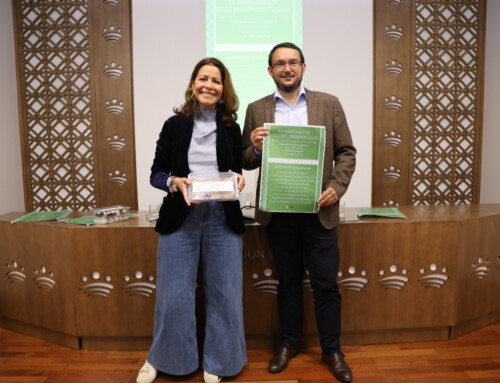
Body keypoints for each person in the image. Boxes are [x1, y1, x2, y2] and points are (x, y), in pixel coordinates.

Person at [241, 43, 356, 382]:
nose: (287, 68)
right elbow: (245, 160)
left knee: (325, 284)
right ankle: (288, 344)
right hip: (279, 214)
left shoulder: (328, 103)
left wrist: (337, 185)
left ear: (303, 67)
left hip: (319, 211)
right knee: (288, 282)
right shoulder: (256, 108)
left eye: (293, 62)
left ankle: (332, 351)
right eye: (280, 64)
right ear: (270, 71)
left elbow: (347, 152)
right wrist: (256, 147)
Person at [137, 58, 247, 383]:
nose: (209, 85)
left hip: (222, 216)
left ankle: (220, 362)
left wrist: (237, 178)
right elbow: (156, 174)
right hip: (180, 216)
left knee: (225, 293)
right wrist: (175, 182)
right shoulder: (174, 124)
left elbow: (235, 169)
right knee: (173, 295)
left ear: (223, 89)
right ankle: (165, 358)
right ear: (193, 84)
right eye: (203, 78)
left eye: (216, 80)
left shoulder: (231, 127)